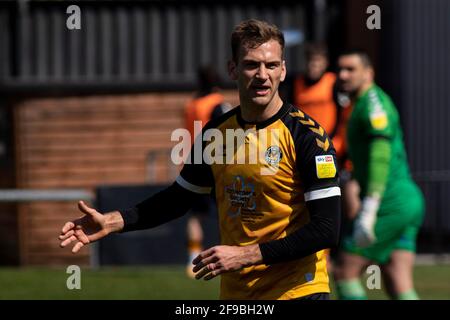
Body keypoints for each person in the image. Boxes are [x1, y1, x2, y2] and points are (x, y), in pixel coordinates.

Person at [58, 19, 341, 300]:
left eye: (271, 65)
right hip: (238, 293)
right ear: (233, 69)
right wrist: (113, 221)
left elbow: (326, 230)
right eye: (251, 64)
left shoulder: (307, 137)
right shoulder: (216, 134)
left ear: (283, 70)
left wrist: (246, 254)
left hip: (298, 290)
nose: (262, 74)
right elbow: (178, 198)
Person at [333, 50, 425, 300]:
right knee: (398, 278)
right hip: (405, 202)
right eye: (340, 69)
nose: (342, 75)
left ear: (369, 73)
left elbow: (380, 155)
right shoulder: (360, 104)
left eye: (351, 69)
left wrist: (370, 207)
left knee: (344, 271)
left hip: (389, 204)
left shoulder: (373, 104)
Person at [184, 66, 231, 277]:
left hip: (192, 162)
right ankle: (228, 255)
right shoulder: (217, 104)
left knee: (195, 216)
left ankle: (191, 261)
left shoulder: (192, 104)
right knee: (228, 211)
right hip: (213, 164)